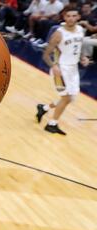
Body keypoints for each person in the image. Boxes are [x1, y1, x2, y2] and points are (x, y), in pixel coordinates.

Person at [36, 6, 91, 135]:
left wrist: (83, 57)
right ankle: (52, 124)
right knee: (66, 98)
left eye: (74, 16)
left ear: (78, 17)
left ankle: (43, 108)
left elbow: (78, 46)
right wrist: (54, 66)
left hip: (74, 68)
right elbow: (46, 54)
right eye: (68, 16)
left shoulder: (80, 30)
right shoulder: (59, 33)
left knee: (70, 98)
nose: (71, 18)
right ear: (64, 17)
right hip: (61, 70)